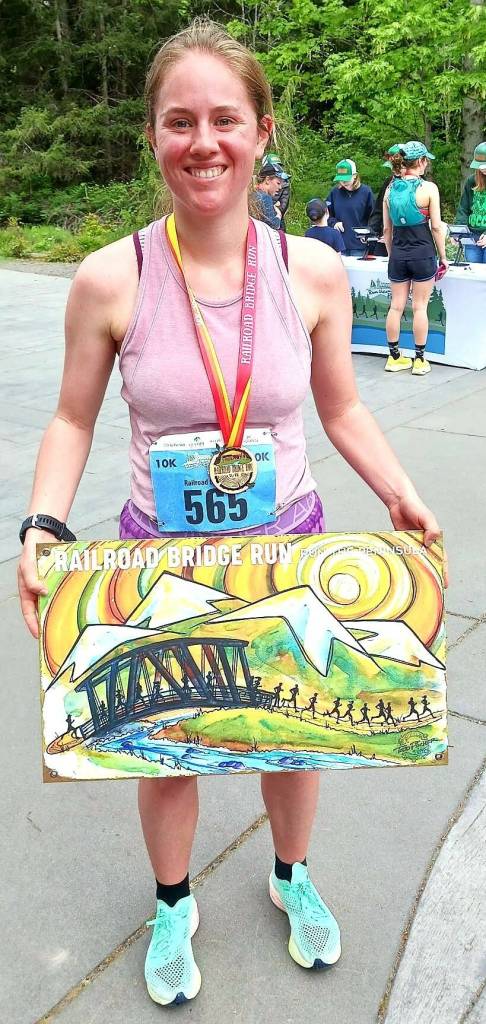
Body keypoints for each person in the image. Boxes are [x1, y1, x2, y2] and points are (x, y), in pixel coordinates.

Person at [18, 17, 443, 1008]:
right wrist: (41, 524)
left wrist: (399, 489)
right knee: (167, 748)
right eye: (180, 121)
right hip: (157, 563)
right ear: (153, 137)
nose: (202, 141)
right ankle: (173, 902)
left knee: (295, 736)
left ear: (261, 132)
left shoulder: (313, 271)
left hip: (287, 552)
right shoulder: (110, 277)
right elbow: (73, 418)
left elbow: (341, 407)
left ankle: (292, 875)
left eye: (224, 119)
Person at [383, 141, 448, 376]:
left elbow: (387, 230)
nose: (427, 164)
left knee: (396, 306)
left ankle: (394, 358)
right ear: (420, 161)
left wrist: (392, 254)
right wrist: (443, 257)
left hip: (398, 255)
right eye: (425, 160)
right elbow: (437, 227)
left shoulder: (390, 190)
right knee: (420, 307)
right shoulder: (429, 189)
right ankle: (420, 360)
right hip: (423, 254)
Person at [326, 159, 374, 256]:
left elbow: (374, 217)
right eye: (341, 179)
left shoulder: (366, 192)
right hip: (339, 245)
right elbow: (326, 214)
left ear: (355, 175)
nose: (344, 182)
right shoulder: (334, 193)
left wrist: (368, 233)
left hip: (359, 245)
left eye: (347, 178)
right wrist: (334, 223)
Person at [368, 144, 404, 256]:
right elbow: (378, 211)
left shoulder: (420, 184)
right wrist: (371, 233)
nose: (394, 170)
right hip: (385, 237)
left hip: (407, 238)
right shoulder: (388, 182)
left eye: (397, 166)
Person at [455, 142, 486, 263]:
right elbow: (463, 209)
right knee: (473, 270)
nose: (482, 169)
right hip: (472, 237)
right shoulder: (471, 181)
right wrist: (459, 231)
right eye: (480, 166)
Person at [261, 151, 291, 231]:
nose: (279, 187)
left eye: (278, 165)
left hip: (277, 219)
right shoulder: (261, 189)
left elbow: (283, 205)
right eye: (274, 164)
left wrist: (276, 211)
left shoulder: (285, 183)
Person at [252, 162, 283, 228]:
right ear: (267, 180)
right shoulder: (265, 198)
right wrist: (278, 214)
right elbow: (273, 226)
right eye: (278, 183)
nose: (280, 187)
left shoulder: (252, 193)